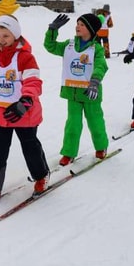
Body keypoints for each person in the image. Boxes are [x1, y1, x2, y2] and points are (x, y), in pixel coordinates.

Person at [0, 15, 49, 207]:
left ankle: (41, 176)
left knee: (30, 148)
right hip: (2, 115)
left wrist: (24, 101)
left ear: (15, 35)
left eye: (5, 35)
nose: (1, 39)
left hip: (24, 113)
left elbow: (33, 83)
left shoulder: (25, 57)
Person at [44, 12, 109, 167]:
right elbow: (51, 46)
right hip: (73, 92)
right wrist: (52, 30)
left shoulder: (97, 49)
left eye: (82, 24)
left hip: (90, 93)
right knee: (72, 124)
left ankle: (101, 147)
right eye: (77, 23)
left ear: (91, 29)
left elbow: (101, 66)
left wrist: (95, 81)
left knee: (95, 122)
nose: (77, 27)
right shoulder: (69, 45)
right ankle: (68, 152)